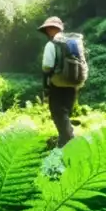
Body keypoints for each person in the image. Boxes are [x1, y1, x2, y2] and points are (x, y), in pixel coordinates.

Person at [39, 16, 80, 147]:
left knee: (57, 112)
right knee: (65, 112)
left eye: (47, 29)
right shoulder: (73, 43)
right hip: (73, 83)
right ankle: (64, 141)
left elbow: (47, 66)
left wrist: (46, 83)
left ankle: (69, 141)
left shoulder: (52, 44)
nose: (46, 32)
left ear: (51, 29)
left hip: (57, 84)